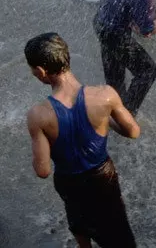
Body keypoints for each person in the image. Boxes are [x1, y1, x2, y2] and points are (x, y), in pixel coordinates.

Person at [24, 33, 140, 248]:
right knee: (117, 227)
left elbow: (43, 171)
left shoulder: (38, 115)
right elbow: (133, 131)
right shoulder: (105, 95)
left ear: (41, 72)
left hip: (70, 182)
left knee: (79, 224)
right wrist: (105, 121)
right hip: (103, 176)